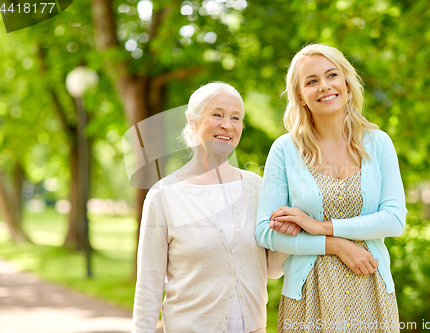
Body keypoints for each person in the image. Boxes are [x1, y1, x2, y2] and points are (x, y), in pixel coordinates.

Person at [255, 44, 407, 332]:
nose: (324, 86)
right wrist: (334, 245)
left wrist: (319, 226)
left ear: (347, 84)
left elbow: (395, 220)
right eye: (311, 81)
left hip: (371, 291)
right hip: (308, 297)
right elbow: (265, 231)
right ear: (300, 96)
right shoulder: (285, 150)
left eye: (331, 75)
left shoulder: (379, 143)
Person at [132, 82, 288, 333]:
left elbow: (272, 269)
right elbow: (148, 286)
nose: (227, 124)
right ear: (192, 121)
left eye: (236, 117)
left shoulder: (256, 188)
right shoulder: (163, 196)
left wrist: (284, 235)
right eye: (217, 114)